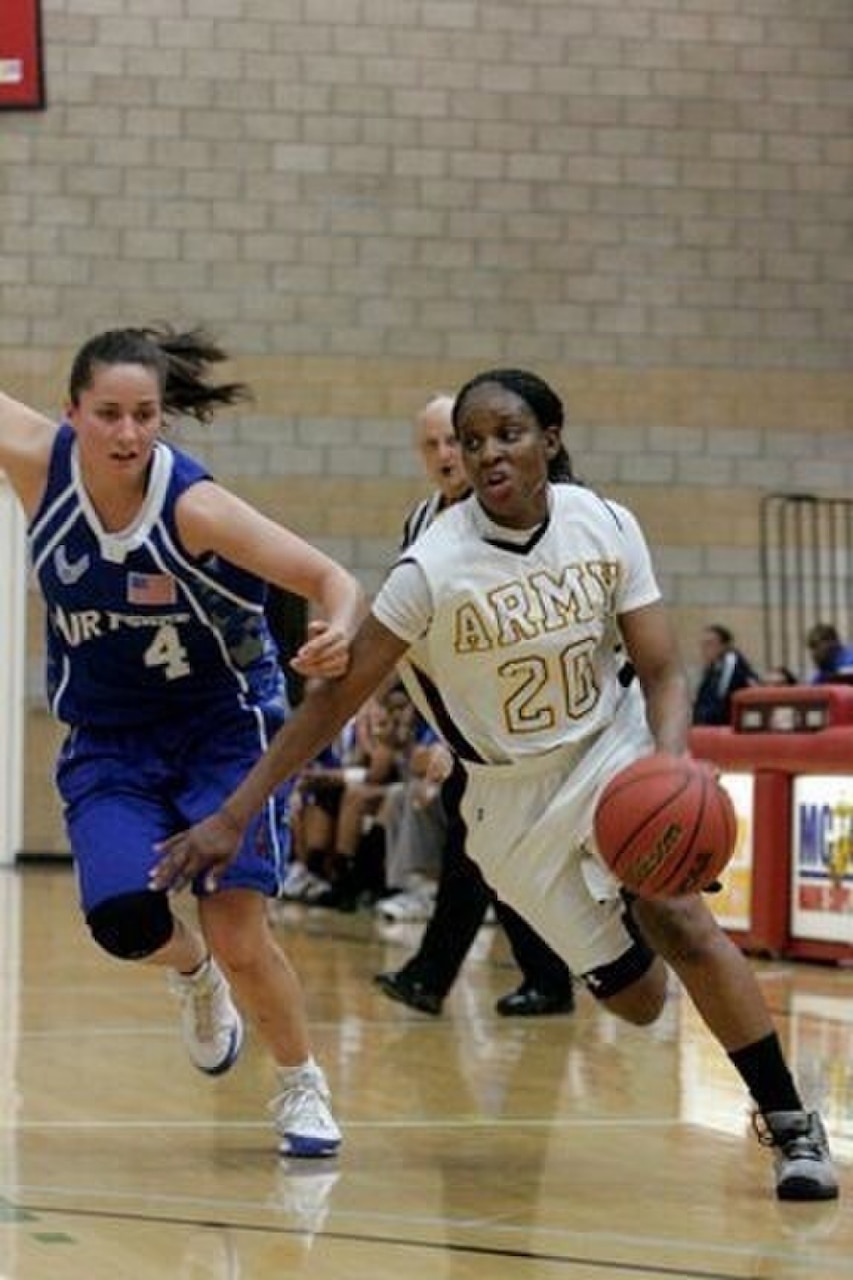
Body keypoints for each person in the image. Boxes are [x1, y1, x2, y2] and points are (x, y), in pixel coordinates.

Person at [153, 367, 839, 1203]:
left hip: (611, 751)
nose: (485, 454)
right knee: (640, 1003)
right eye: (471, 441)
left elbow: (660, 670)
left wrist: (667, 761)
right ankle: (621, 908)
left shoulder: (604, 523)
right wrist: (236, 811)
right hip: (509, 801)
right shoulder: (431, 566)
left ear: (549, 439)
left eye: (505, 434)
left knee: (683, 917)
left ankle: (790, 1124)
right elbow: (332, 706)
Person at [0, 325, 367, 1158]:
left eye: (144, 415)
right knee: (124, 920)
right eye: (108, 415)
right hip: (110, 738)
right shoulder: (36, 463)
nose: (128, 434)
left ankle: (298, 1081)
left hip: (220, 731)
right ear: (72, 414)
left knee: (243, 933)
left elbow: (330, 579)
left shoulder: (194, 508)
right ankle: (191, 973)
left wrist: (338, 630)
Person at [375, 393, 575, 1016]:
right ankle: (525, 977)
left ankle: (443, 976)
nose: (444, 455)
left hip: (516, 721)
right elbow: (417, 633)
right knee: (482, 849)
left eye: (450, 441)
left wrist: (446, 738)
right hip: (461, 718)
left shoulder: (514, 519)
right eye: (432, 444)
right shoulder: (420, 522)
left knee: (485, 848)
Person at [692, 624, 760, 726]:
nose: (704, 649)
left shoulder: (731, 664)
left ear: (724, 646)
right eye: (703, 645)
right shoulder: (713, 668)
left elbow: (720, 699)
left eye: (710, 644)